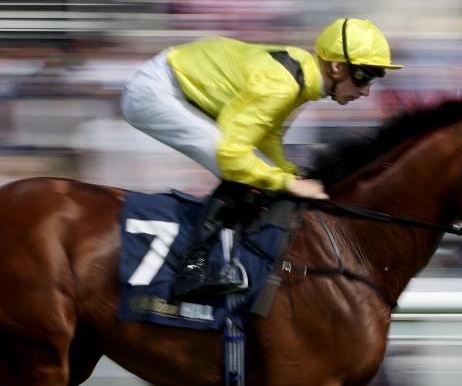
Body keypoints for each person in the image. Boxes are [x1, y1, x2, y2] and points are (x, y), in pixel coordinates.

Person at [120, 17, 402, 299]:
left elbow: (267, 134)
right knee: (240, 170)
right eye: (363, 76)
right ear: (337, 67)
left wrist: (287, 171)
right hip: (157, 91)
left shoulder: (301, 72)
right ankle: (193, 270)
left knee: (260, 172)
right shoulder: (282, 84)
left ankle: (233, 253)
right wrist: (288, 183)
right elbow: (232, 156)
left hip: (180, 82)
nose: (365, 91)